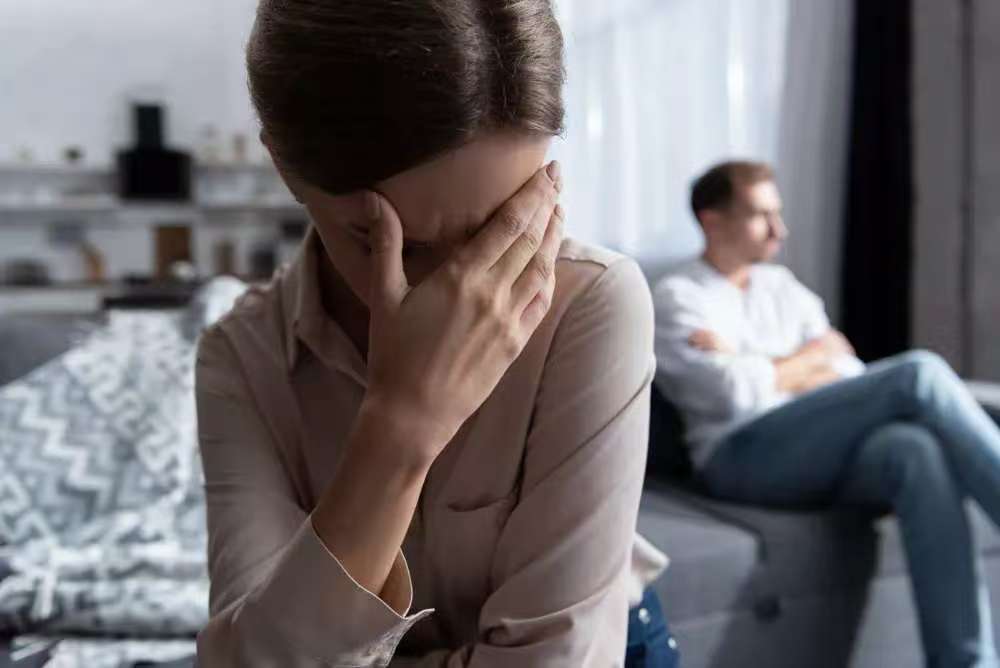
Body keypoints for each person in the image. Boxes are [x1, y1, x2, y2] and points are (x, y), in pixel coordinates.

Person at [194, 1, 675, 666]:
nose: (460, 300)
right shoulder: (242, 358)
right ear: (285, 167)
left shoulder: (590, 304)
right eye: (397, 246)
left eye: (496, 233)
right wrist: (401, 424)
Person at [653, 159, 1000, 667]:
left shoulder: (781, 287)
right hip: (739, 456)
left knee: (915, 450)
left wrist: (756, 362)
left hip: (817, 450)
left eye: (778, 214)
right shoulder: (676, 297)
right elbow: (732, 394)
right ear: (713, 220)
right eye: (761, 215)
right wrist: (806, 359)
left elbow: (846, 370)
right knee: (917, 375)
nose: (780, 229)